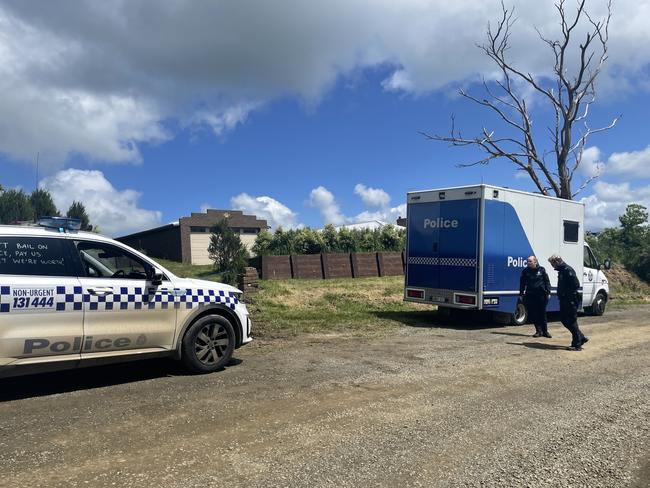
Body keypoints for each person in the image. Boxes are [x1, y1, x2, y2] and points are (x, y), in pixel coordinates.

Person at [548, 254, 589, 351]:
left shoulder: (567, 270)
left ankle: (577, 344)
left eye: (552, 264)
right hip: (565, 299)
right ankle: (581, 337)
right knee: (564, 319)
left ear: (557, 262)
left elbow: (576, 284)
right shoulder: (562, 270)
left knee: (570, 320)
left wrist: (566, 294)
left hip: (570, 299)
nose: (552, 266)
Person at [519, 256, 551, 338]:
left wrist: (548, 292)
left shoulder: (542, 270)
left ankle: (545, 331)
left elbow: (547, 281)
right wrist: (521, 294)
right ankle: (538, 331)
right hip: (530, 295)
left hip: (541, 295)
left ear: (535, 262)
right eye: (528, 261)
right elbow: (522, 283)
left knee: (542, 313)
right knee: (534, 313)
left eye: (530, 261)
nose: (528, 263)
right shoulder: (525, 271)